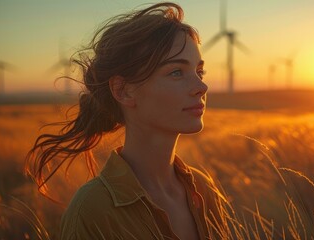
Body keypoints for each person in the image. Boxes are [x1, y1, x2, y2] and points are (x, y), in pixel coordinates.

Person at [25, 2, 228, 239]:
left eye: (199, 72)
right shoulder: (92, 211)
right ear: (123, 91)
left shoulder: (203, 190)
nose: (201, 87)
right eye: (176, 72)